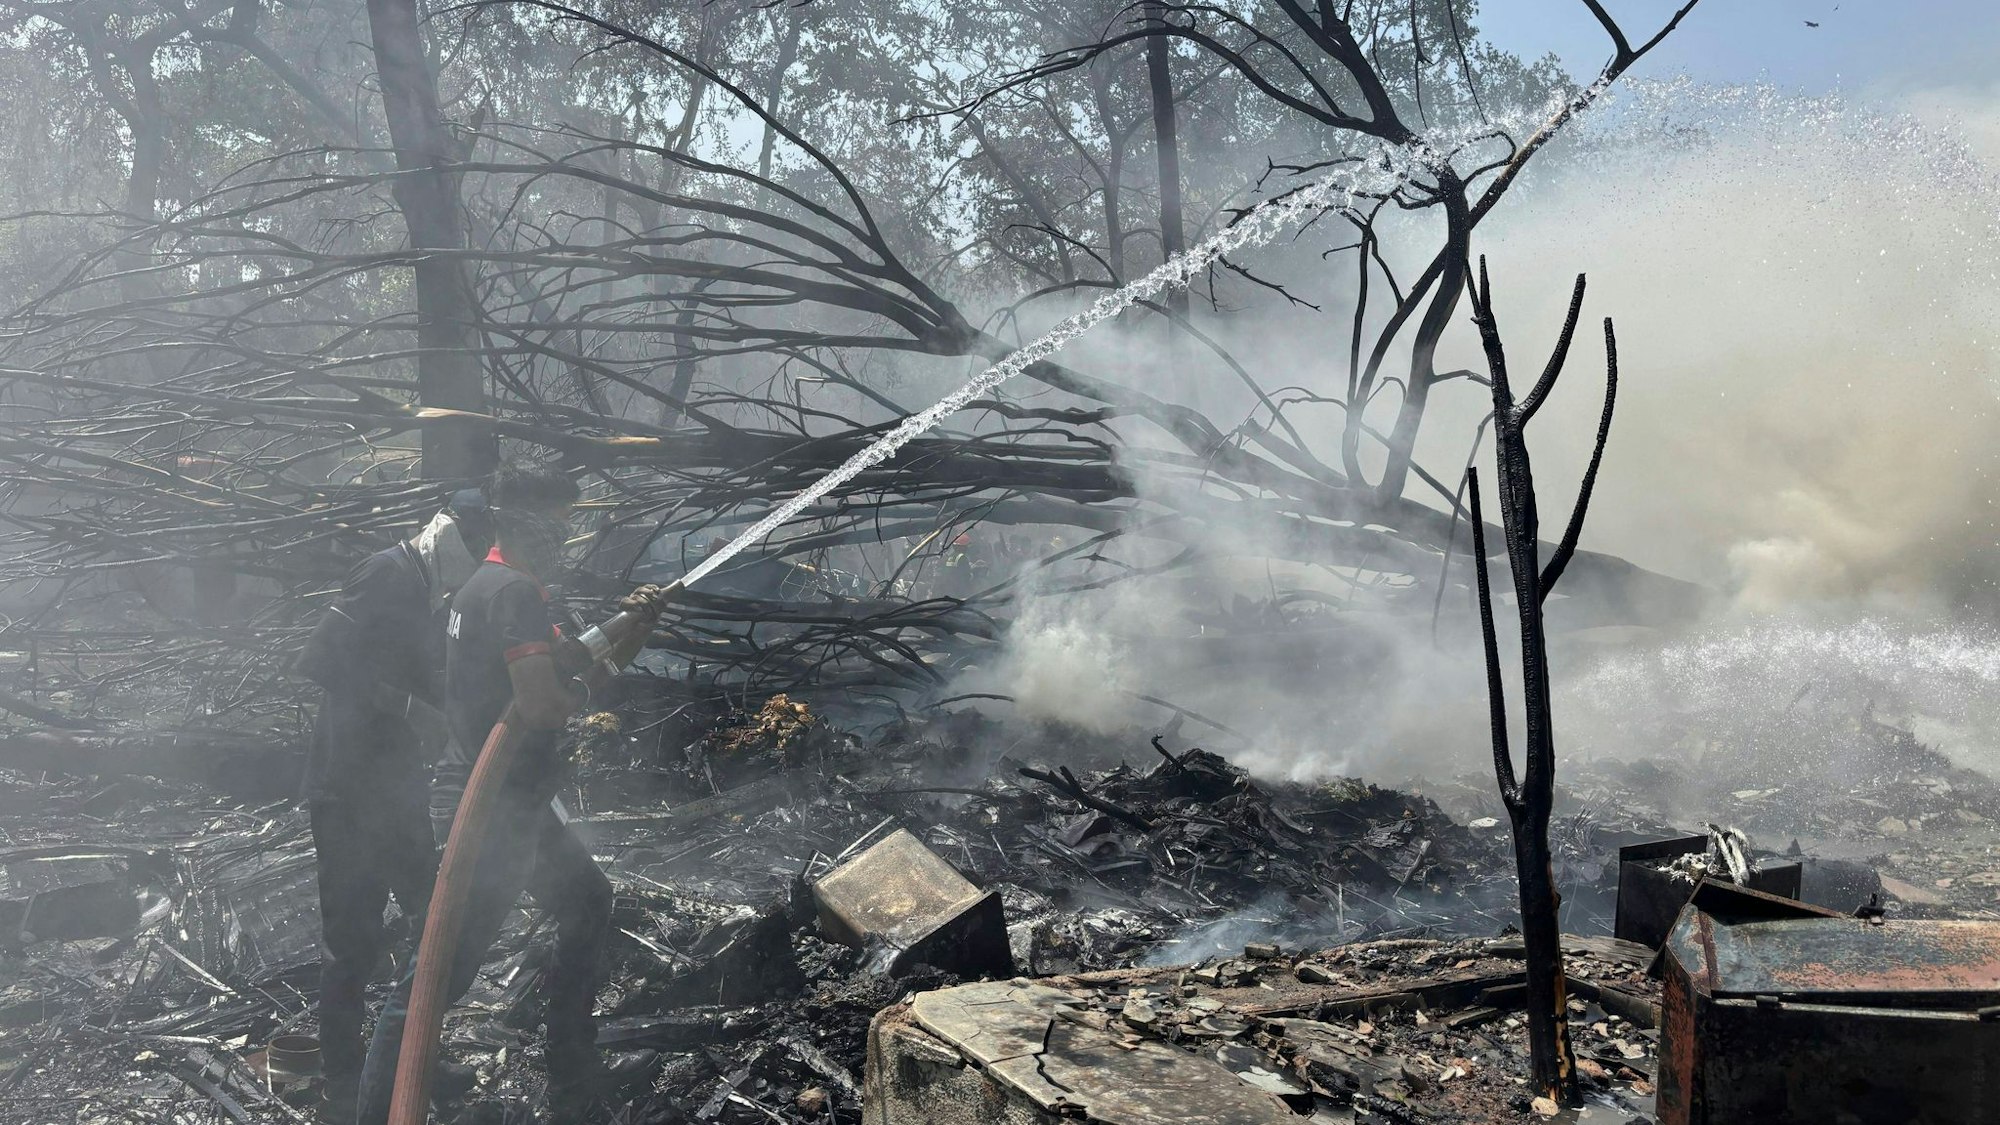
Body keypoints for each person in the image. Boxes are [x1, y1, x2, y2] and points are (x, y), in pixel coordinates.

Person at [353, 463, 643, 1124]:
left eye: (567, 524)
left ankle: (571, 1070)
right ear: (519, 518)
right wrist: (580, 696)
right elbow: (542, 703)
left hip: (513, 807)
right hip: (489, 815)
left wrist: (637, 622)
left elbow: (585, 666)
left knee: (587, 899)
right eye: (554, 523)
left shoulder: (491, 584)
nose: (563, 537)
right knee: (433, 980)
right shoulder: (514, 594)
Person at [295, 489, 493, 1124]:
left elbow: (419, 674)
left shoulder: (428, 593)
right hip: (348, 790)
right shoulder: (386, 572)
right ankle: (344, 1083)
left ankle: (414, 1060)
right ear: (449, 533)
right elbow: (321, 660)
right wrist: (410, 709)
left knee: (428, 921)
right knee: (350, 943)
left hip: (395, 789)